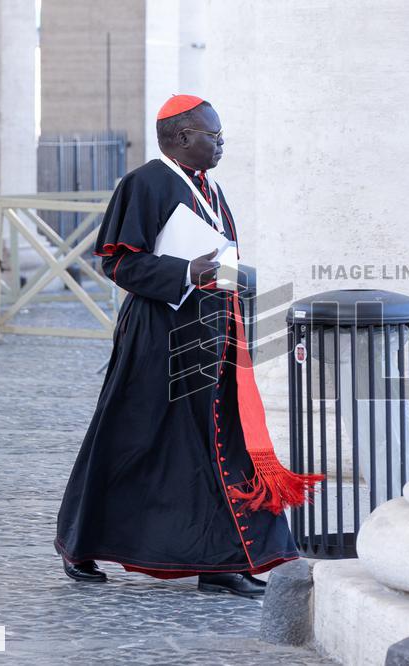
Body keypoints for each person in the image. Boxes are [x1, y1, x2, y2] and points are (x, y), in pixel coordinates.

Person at [53, 94, 323, 599]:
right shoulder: (146, 183)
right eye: (212, 135)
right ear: (181, 138)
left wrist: (233, 278)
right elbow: (118, 264)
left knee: (216, 443)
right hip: (158, 339)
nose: (221, 143)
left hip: (215, 334)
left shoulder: (211, 189)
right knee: (130, 440)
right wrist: (183, 271)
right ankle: (80, 541)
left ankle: (221, 561)